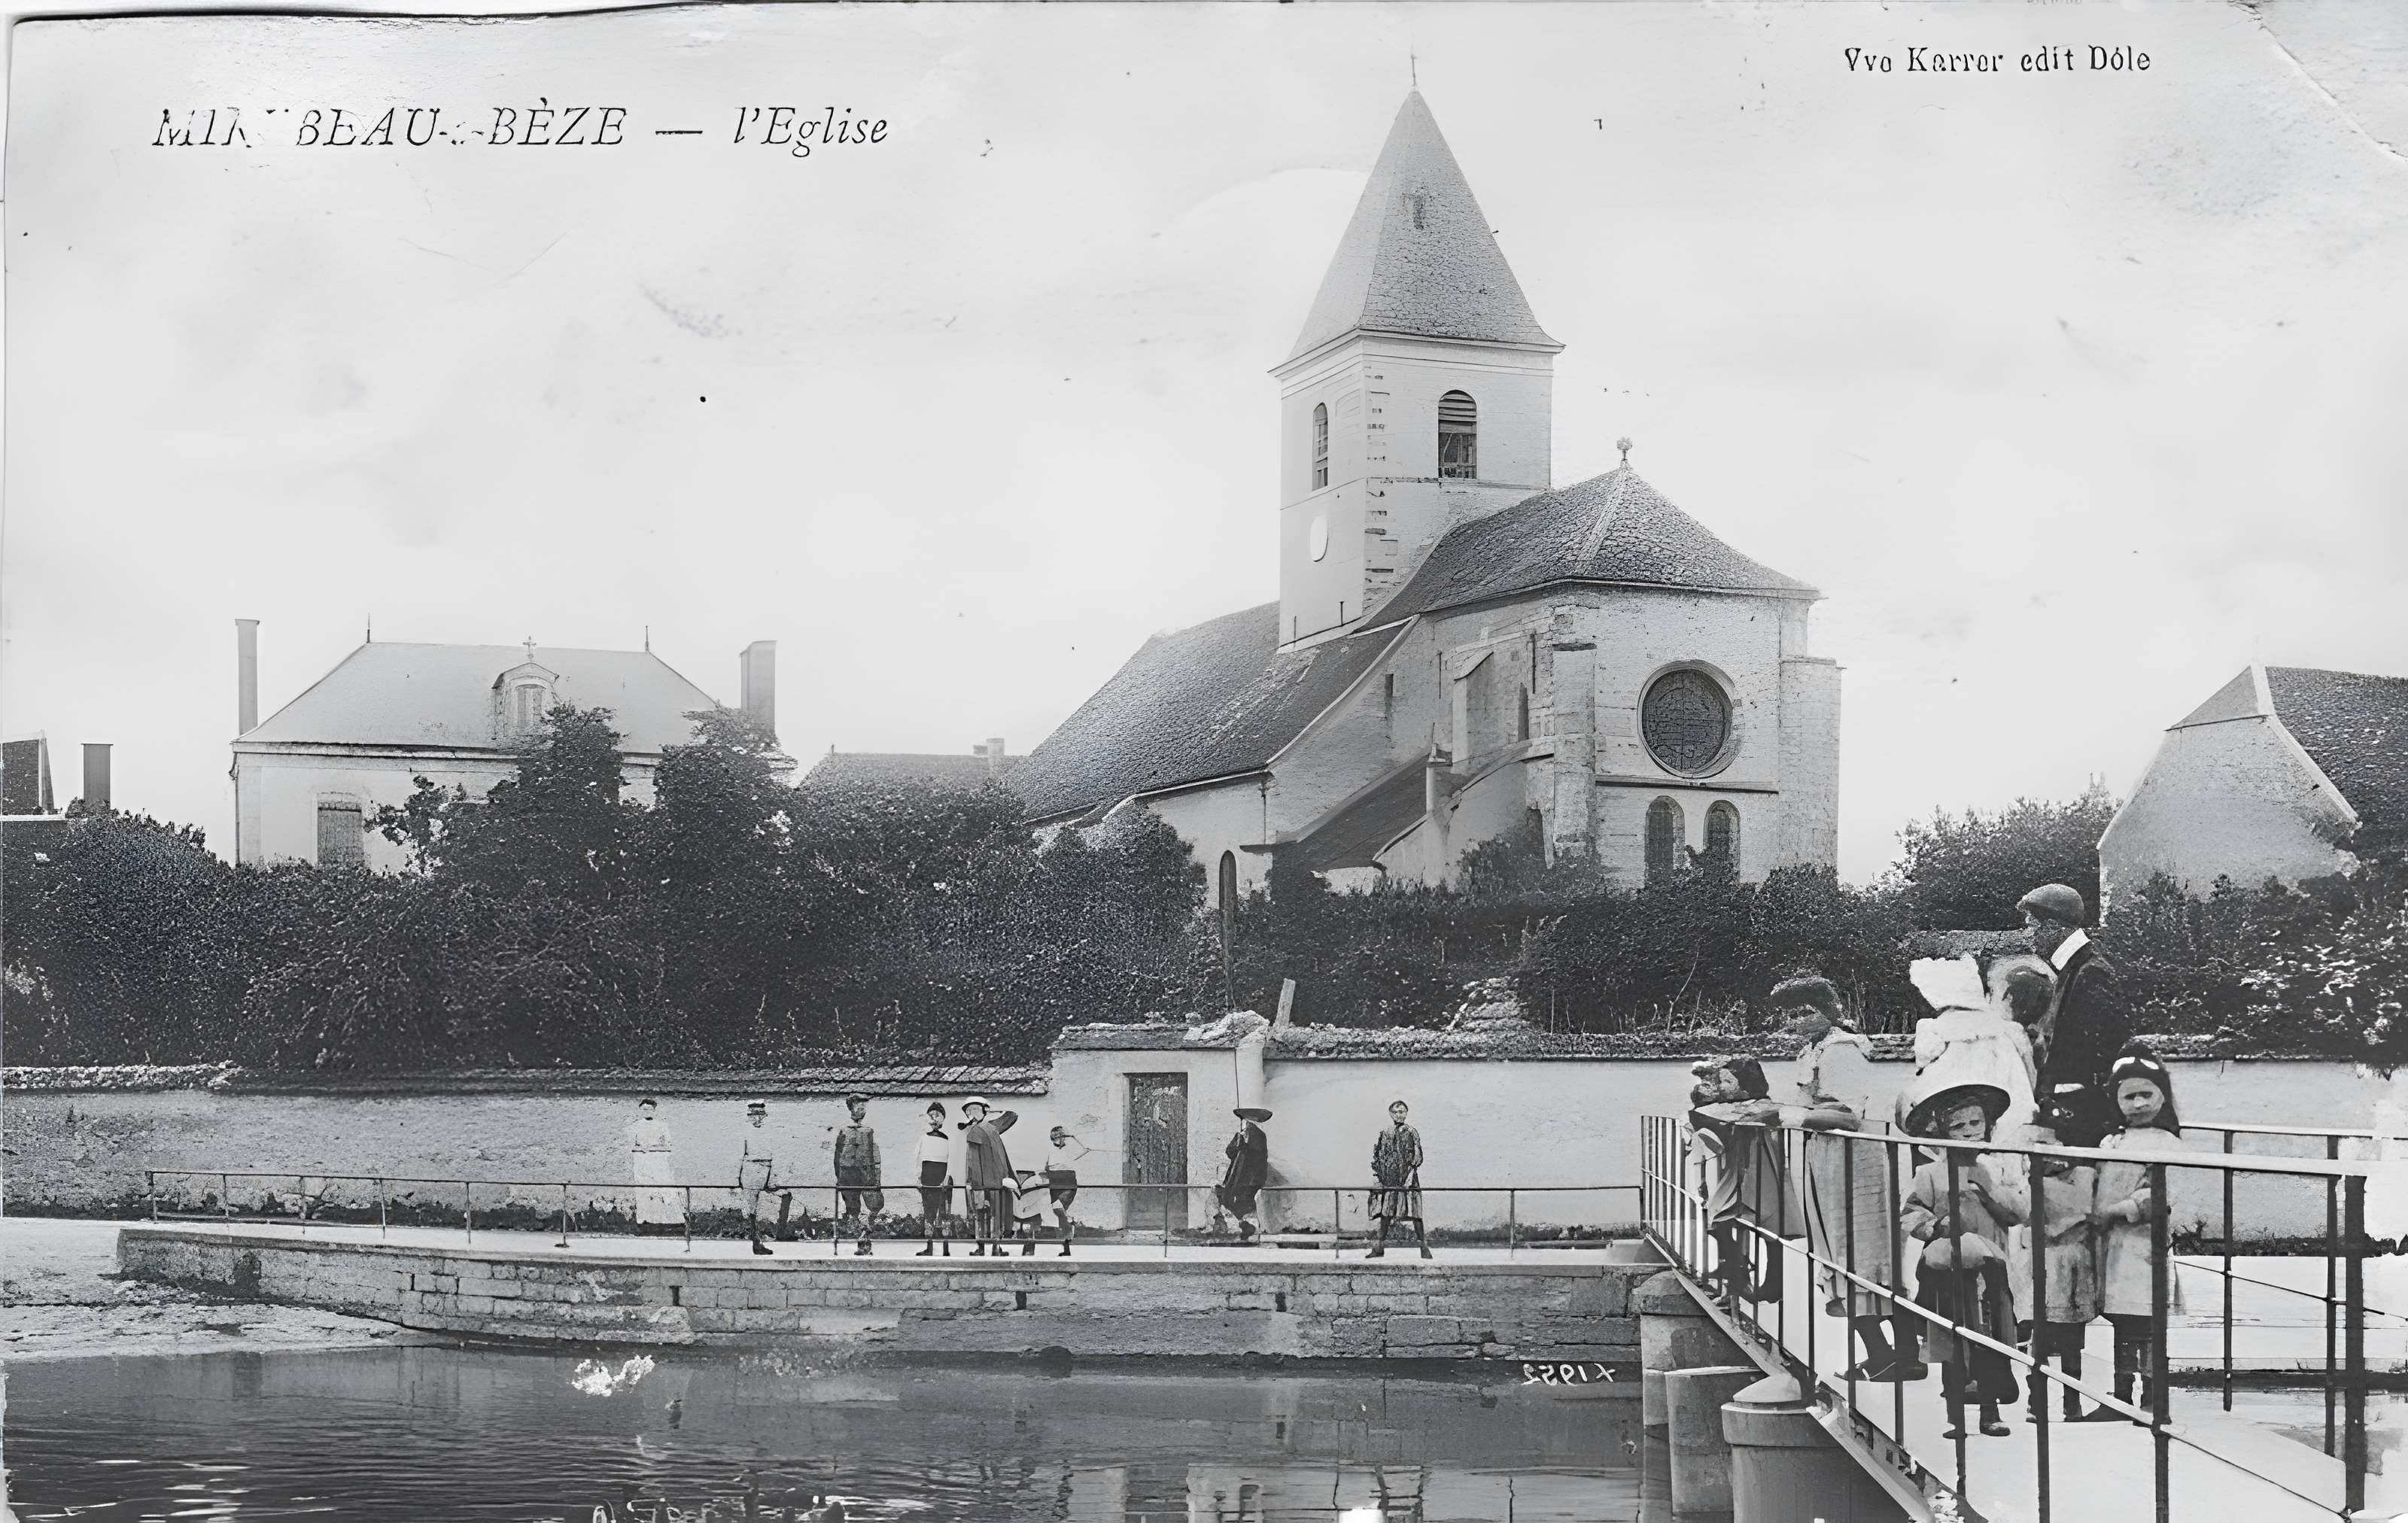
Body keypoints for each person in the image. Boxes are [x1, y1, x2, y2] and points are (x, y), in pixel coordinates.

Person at [1774, 976, 1917, 1382]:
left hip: (1855, 1159)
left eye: (1805, 1011)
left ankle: (1897, 1355)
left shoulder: (1841, 1051)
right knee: (1841, 1252)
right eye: (1791, 1014)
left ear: (1828, 1010)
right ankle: (1889, 1354)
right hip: (1830, 1158)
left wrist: (1791, 1116)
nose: (1797, 1021)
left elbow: (1849, 1114)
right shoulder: (1815, 1050)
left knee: (1863, 1255)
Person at [1899, 1081, 2027, 1439]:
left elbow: (2019, 1214)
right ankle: (1955, 1416)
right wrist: (1935, 1225)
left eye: (1976, 1123)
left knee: (1988, 1339)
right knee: (1950, 1340)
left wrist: (1990, 1197)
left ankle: (1991, 1411)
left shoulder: (1997, 1170)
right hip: (1945, 1268)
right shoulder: (1929, 1173)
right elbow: (1908, 1213)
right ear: (1942, 1131)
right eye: (1959, 1126)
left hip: (1991, 1270)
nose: (1970, 1132)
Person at [2079, 1046, 2193, 1422]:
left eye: (2148, 1094)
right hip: (2113, 1249)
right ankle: (2122, 1394)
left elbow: (2161, 1196)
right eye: (2130, 1096)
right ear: (2116, 1100)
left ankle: (2153, 1397)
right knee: (2123, 1322)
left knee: (2147, 1324)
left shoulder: (2167, 1146)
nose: (2139, 1103)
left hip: (2146, 1247)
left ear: (2163, 1097)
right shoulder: (2112, 1143)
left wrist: (2118, 1209)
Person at [2018, 883, 2132, 1149]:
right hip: (2070, 1115)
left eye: (2032, 926)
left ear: (2054, 928)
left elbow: (2105, 1055)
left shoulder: (2091, 973)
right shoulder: (2073, 969)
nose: (2028, 935)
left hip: (2084, 1120)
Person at [2012, 1101, 2101, 1424]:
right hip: (2042, 1268)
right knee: (2039, 1340)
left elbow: (2087, 1215)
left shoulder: (2082, 1178)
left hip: (2072, 1269)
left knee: (2071, 1344)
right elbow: (2023, 1222)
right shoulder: (2030, 1183)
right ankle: (2037, 1403)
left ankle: (2071, 1403)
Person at [1687, 1058, 1786, 1303]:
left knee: (1770, 1233)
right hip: (1745, 1172)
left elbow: (1751, 1122)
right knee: (1724, 1220)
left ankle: (1767, 1284)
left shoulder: (1763, 1106)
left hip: (1762, 1171)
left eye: (1729, 1081)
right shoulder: (1739, 1105)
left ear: (1746, 1083)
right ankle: (1739, 1278)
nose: (1723, 1086)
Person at [1905, 956, 2037, 1132]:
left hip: (1959, 1126)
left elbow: (1927, 1090)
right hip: (2004, 1122)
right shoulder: (2002, 1035)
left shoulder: (1940, 1036)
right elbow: (2022, 1090)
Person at [956, 1096, 1018, 1257]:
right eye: (969, 1111)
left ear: (984, 1110)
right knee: (981, 1216)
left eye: (976, 1108)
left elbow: (1012, 1116)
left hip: (998, 1182)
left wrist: (992, 1110)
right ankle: (981, 1247)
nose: (972, 1113)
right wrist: (974, 1184)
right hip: (981, 1183)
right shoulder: (975, 1132)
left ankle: (996, 1247)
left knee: (997, 1216)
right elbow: (972, 1162)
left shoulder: (991, 1127)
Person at [1368, 1100, 1429, 1260]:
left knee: (1416, 1214)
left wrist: (1409, 1176)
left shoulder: (1411, 1132)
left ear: (1406, 1113)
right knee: (1386, 1214)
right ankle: (1379, 1248)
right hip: (1390, 1182)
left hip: (1409, 1180)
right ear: (1390, 1114)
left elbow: (1418, 1157)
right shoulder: (1386, 1133)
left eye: (1402, 1112)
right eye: (1396, 1112)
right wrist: (1379, 1178)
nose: (1399, 1115)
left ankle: (1424, 1248)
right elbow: (1378, 1157)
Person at [735, 1099, 784, 1256]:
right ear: (749, 1116)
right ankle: (756, 1242)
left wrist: (773, 1176)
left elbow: (775, 1155)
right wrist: (738, 1177)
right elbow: (739, 1155)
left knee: (764, 1210)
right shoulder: (744, 1132)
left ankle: (762, 1240)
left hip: (766, 1169)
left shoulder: (770, 1132)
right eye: (754, 1115)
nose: (757, 1118)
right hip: (750, 1169)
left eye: (760, 1115)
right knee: (752, 1210)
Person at [627, 1096, 683, 1233]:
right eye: (645, 1109)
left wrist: (653, 1148)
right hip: (642, 1161)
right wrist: (642, 1149)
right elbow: (631, 1146)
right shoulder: (635, 1126)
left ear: (654, 1110)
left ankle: (670, 1223)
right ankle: (644, 1222)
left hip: (658, 1161)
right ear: (641, 1110)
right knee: (644, 1191)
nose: (647, 1111)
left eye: (650, 1109)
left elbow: (669, 1146)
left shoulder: (662, 1126)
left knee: (664, 1189)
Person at [1218, 1108, 1271, 1243]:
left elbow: (1258, 1157)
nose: (1244, 1125)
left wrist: (1246, 1144)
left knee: (1245, 1202)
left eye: (1246, 1122)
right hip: (1237, 1177)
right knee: (1230, 1201)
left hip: (1250, 1178)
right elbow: (1230, 1152)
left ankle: (1250, 1230)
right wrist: (1239, 1141)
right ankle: (1244, 1228)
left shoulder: (1259, 1136)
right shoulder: (1240, 1135)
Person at [914, 1102, 954, 1257]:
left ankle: (945, 1248)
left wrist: (946, 1177)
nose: (935, 1119)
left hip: (942, 1177)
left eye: (938, 1115)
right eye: (932, 1115)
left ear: (943, 1118)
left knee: (944, 1213)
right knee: (929, 1213)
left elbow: (951, 1159)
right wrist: (919, 1177)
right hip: (927, 1176)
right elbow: (918, 1159)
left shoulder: (947, 1139)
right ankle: (929, 1247)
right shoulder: (924, 1138)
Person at [1045, 1126, 1090, 1257]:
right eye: (1054, 1137)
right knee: (1059, 1212)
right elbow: (1046, 1166)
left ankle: (1068, 1237)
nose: (1056, 1139)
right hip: (1054, 1183)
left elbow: (1084, 1148)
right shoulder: (1050, 1150)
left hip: (1068, 1183)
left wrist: (1072, 1136)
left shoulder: (1071, 1148)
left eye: (1059, 1136)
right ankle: (1067, 1245)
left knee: (1060, 1209)